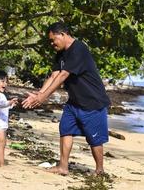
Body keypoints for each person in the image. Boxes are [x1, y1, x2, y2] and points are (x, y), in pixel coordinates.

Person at [22, 22, 110, 175]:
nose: (51, 44)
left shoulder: (79, 49)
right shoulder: (60, 53)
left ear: (62, 34)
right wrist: (39, 94)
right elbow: (55, 75)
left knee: (94, 139)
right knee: (65, 129)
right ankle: (63, 167)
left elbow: (64, 75)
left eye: (52, 40)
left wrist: (43, 97)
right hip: (74, 102)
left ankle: (99, 170)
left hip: (92, 102)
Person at [0, 70, 18, 167]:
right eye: (2, 81)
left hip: (2, 123)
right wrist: (9, 102)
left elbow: (4, 107)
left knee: (1, 144)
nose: (5, 84)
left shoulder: (1, 95)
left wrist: (11, 104)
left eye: (6, 82)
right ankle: (1, 165)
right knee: (2, 145)